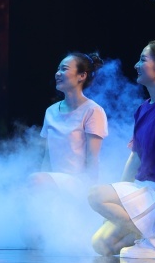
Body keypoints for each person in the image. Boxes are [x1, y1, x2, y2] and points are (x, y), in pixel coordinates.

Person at [89, 39, 155, 259]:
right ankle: (151, 238)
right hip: (146, 190)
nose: (136, 65)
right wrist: (120, 199)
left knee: (95, 195)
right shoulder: (143, 108)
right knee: (101, 244)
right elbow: (135, 157)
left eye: (143, 60)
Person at [29, 52, 108, 195]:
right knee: (33, 183)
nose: (57, 73)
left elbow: (93, 158)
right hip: (53, 180)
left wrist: (90, 193)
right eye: (58, 69)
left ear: (81, 76)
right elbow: (47, 157)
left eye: (64, 69)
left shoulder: (93, 110)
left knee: (35, 180)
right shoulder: (51, 111)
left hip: (79, 182)